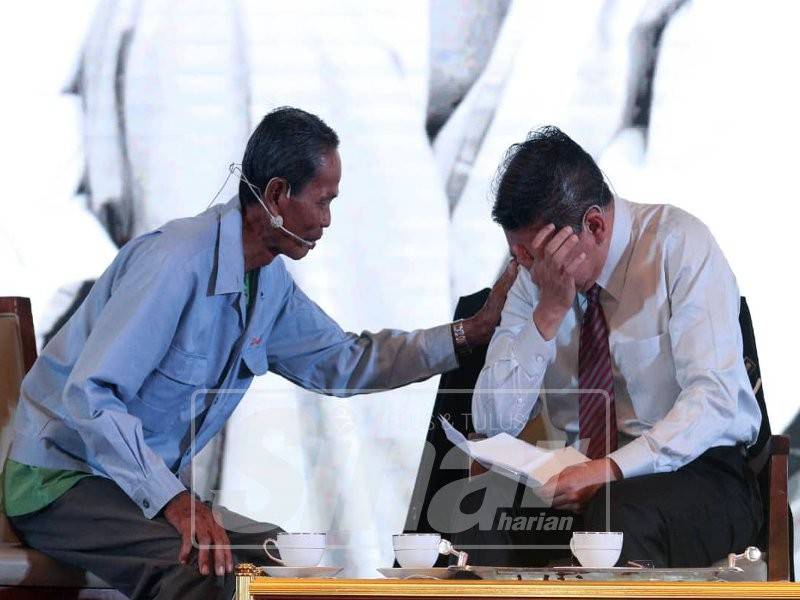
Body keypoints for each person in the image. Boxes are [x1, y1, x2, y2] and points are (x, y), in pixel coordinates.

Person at [2, 107, 517, 599]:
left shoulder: (268, 284)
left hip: (134, 490)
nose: (328, 220)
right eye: (322, 201)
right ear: (275, 195)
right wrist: (175, 500)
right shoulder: (174, 262)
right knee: (201, 571)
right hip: (63, 479)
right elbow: (89, 395)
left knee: (281, 562)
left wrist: (470, 332)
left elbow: (346, 361)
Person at [466, 125, 762, 568]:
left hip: (700, 470)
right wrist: (546, 316)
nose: (525, 269)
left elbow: (714, 400)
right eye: (518, 256)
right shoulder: (534, 281)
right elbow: (493, 421)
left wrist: (610, 470)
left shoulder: (677, 245)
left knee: (615, 516)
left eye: (536, 255)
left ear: (595, 225)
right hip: (580, 471)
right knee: (477, 511)